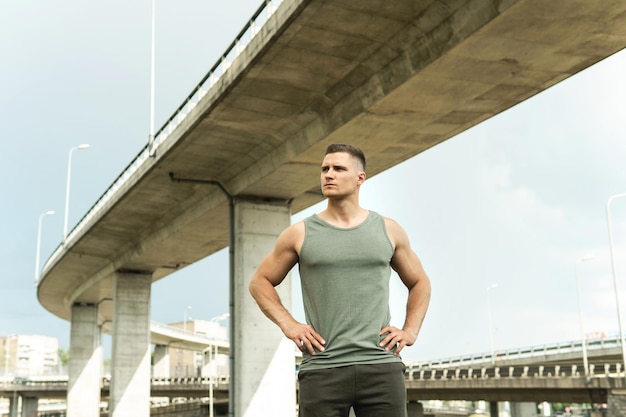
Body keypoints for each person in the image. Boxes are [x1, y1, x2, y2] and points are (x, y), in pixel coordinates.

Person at [249, 143, 431, 417]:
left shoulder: (388, 230)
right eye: (324, 169)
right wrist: (289, 325)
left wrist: (410, 330)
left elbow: (420, 283)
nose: (328, 174)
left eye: (338, 168)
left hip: (380, 366)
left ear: (360, 178)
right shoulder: (299, 234)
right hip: (323, 369)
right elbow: (259, 281)